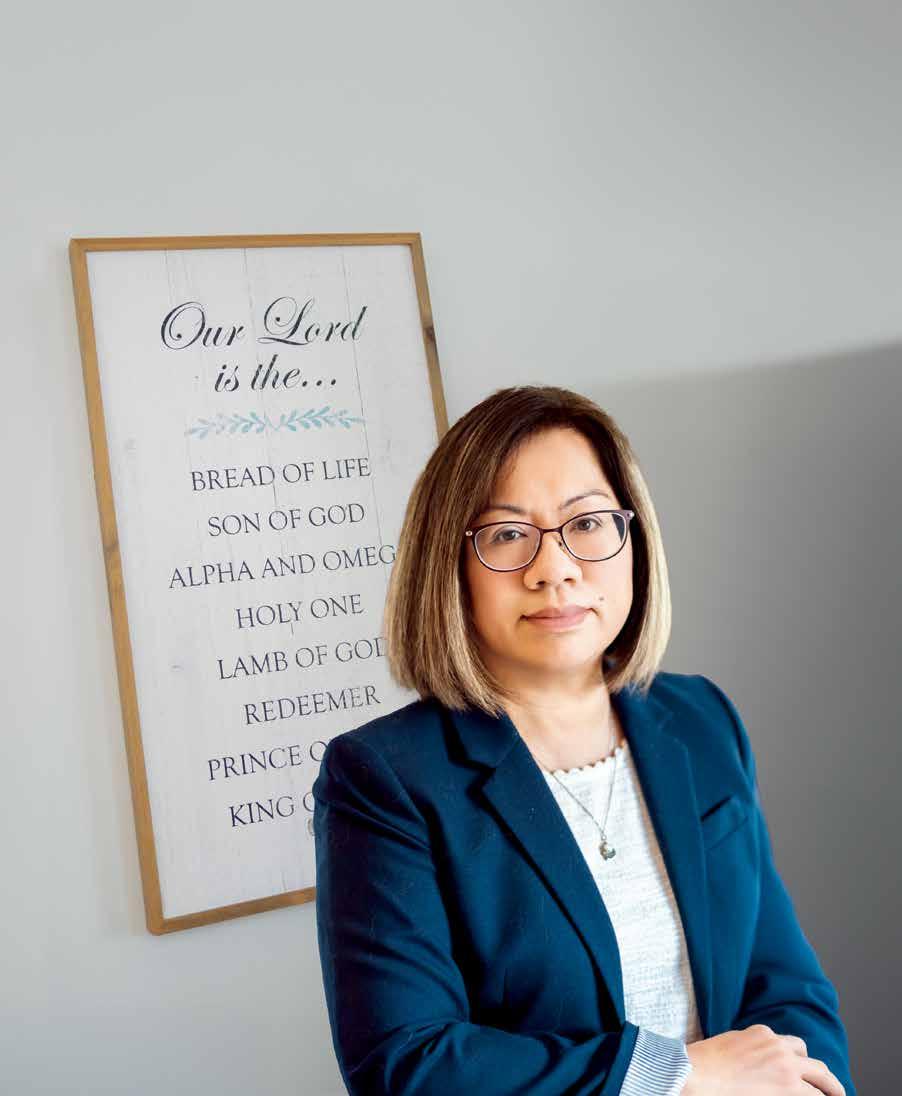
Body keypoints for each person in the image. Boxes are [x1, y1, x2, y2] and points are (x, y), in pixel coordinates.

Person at [312, 384, 854, 1095]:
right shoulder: (384, 777)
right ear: (450, 567)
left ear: (633, 539)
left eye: (588, 522)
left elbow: (784, 986)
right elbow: (409, 1065)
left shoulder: (701, 719)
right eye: (507, 535)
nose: (555, 569)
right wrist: (679, 1076)